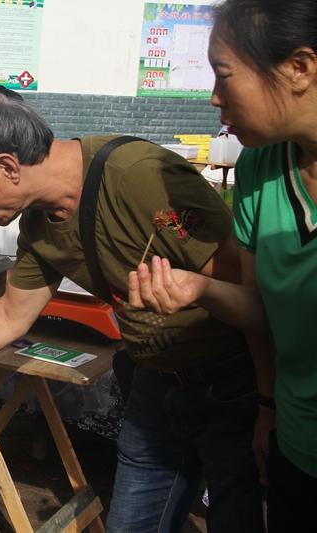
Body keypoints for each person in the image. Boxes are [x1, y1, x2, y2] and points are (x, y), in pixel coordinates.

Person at [0, 92, 264, 532]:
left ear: (8, 166)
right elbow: (11, 317)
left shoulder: (137, 176)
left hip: (230, 388)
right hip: (153, 389)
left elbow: (250, 293)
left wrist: (266, 400)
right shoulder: (39, 225)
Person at [127, 1, 317, 530]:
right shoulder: (262, 167)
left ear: (299, 68)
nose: (214, 96)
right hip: (299, 447)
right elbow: (264, 312)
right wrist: (200, 290)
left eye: (224, 75)